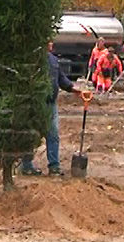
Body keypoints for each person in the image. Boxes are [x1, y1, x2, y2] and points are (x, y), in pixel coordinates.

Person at [21, 41, 82, 177]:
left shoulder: (54, 59)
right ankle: (26, 165)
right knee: (32, 134)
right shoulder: (33, 60)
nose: (51, 43)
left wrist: (72, 88)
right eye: (49, 41)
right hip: (36, 103)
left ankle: (54, 166)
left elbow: (61, 78)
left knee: (53, 134)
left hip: (51, 103)